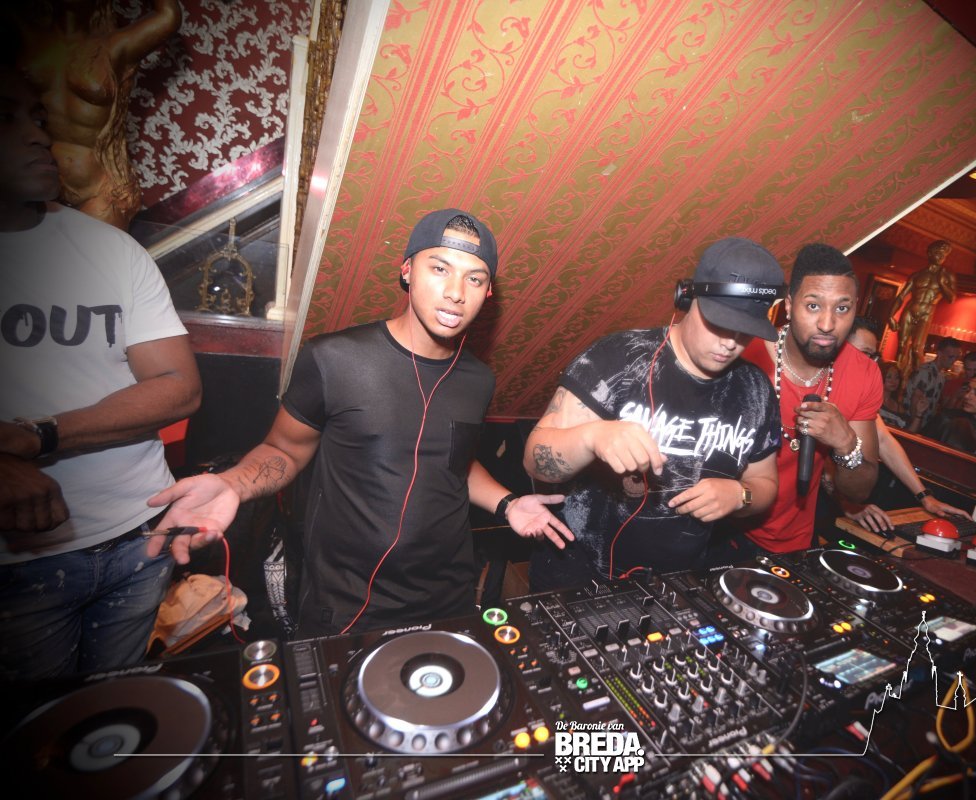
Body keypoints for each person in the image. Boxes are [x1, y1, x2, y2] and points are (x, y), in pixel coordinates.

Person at [150, 209, 573, 636]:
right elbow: (284, 449)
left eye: (474, 279)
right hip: (350, 604)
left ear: (488, 292)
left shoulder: (479, 380)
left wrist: (508, 503)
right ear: (407, 271)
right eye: (440, 268)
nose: (455, 292)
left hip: (450, 595)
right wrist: (233, 484)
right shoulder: (334, 359)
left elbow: (454, 461)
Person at [0, 62, 201, 681]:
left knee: (112, 717)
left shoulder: (109, 247)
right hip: (18, 564)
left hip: (140, 537)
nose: (39, 135)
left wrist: (37, 436)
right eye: (7, 120)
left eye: (38, 118)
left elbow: (179, 388)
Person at [522, 237, 783, 590]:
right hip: (575, 574)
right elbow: (534, 460)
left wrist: (740, 495)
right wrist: (591, 437)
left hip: (678, 582)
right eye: (721, 323)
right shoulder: (616, 358)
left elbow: (765, 485)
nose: (730, 343)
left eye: (745, 331)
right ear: (687, 298)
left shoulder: (756, 390)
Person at [706, 243, 882, 559]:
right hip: (717, 531)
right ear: (788, 305)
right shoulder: (741, 353)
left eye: (842, 309)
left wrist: (846, 443)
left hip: (792, 541)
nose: (827, 324)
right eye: (813, 306)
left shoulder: (864, 373)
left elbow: (859, 490)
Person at [10, 0, 182, 229]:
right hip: (39, 188)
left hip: (99, 190)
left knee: (101, 251)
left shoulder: (113, 46)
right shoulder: (29, 38)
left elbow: (168, 15)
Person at [838, 317, 968, 533]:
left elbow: (883, 439)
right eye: (864, 354)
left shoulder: (859, 391)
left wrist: (925, 496)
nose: (871, 364)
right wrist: (845, 503)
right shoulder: (818, 383)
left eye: (873, 356)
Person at [888, 239, 957, 378]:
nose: (941, 257)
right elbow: (901, 296)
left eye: (943, 255)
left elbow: (951, 298)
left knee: (916, 349)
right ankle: (898, 379)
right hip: (910, 309)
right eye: (937, 253)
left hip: (926, 312)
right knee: (901, 346)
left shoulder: (947, 276)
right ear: (930, 254)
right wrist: (890, 316)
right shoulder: (917, 275)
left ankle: (918, 379)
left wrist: (942, 283)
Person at [903, 335, 962, 432]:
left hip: (923, 424)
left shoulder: (940, 374)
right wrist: (916, 426)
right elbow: (915, 399)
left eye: (956, 357)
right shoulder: (925, 371)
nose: (953, 361)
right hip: (911, 424)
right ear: (939, 353)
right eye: (950, 357)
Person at [940, 345, 976, 412]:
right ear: (964, 368)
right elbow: (943, 411)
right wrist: (955, 397)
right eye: (968, 370)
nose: (972, 374)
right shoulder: (952, 384)